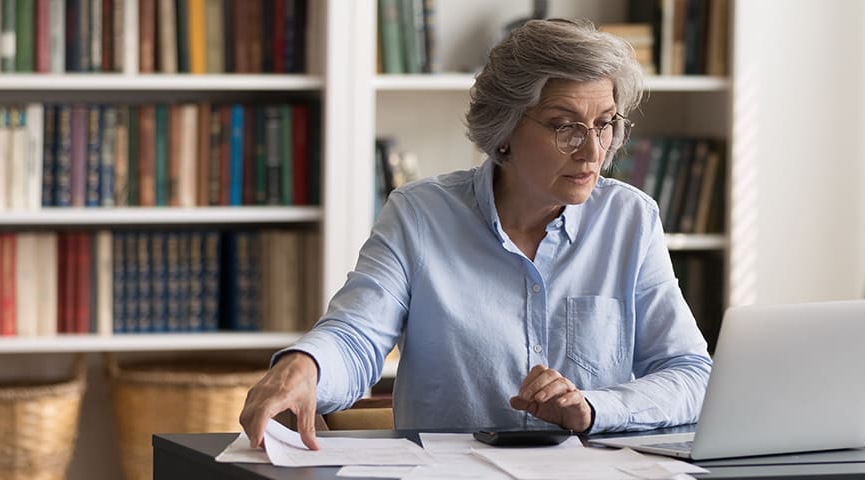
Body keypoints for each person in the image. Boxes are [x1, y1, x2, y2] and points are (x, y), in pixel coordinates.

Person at [239, 18, 712, 449]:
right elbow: (356, 336)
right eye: (565, 126)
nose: (592, 151)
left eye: (606, 124)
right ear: (504, 127)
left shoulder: (630, 219)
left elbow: (692, 376)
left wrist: (592, 408)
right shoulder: (420, 215)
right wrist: (304, 367)